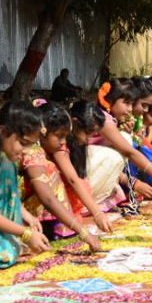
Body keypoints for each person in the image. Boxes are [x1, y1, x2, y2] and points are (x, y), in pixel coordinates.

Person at [0, 102, 51, 268]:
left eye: (30, 145)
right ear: (1, 132)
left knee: (18, 248)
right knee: (5, 256)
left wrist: (27, 216)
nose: (26, 151)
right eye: (23, 143)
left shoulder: (8, 158)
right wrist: (26, 234)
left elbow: (11, 193)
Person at [20, 102, 102, 251]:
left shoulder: (40, 149)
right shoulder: (33, 152)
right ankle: (53, 228)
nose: (64, 142)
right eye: (59, 136)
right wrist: (83, 231)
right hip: (12, 208)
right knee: (50, 170)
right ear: (43, 132)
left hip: (18, 206)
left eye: (65, 137)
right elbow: (48, 198)